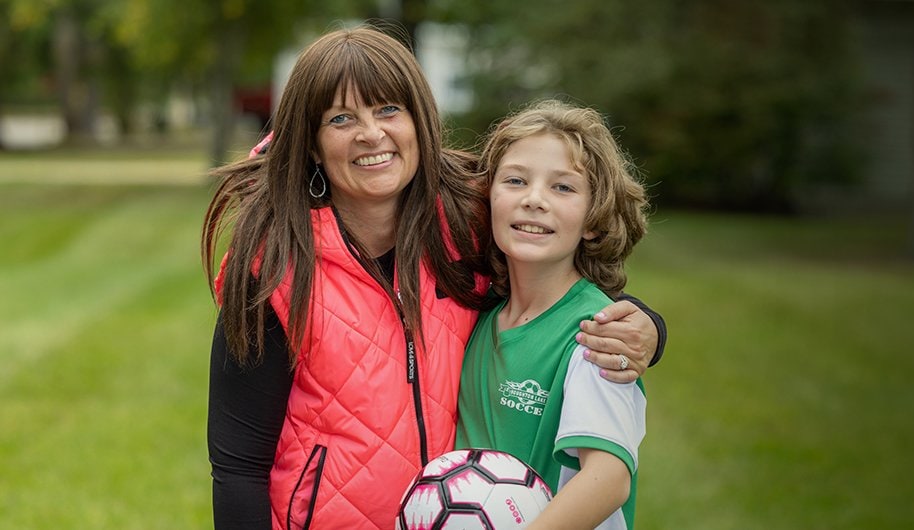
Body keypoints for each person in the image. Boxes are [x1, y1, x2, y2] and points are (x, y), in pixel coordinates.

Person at [201, 27, 666, 530]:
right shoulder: (274, 268)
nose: (370, 134)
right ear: (312, 144)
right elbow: (238, 466)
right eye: (340, 118)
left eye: (387, 110)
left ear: (419, 120)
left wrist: (648, 328)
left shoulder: (468, 225)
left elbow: (555, 281)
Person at [454, 99, 648, 529]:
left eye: (563, 187)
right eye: (516, 180)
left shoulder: (598, 334)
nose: (534, 200)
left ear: (593, 219)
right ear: (489, 198)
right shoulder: (480, 318)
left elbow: (608, 479)